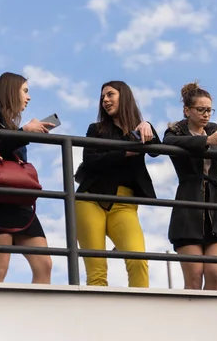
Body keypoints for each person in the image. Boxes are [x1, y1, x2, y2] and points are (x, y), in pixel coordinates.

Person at [163, 82, 217, 290]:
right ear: (187, 110)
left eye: (209, 110)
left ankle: (212, 320)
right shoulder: (175, 132)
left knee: (214, 273)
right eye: (201, 109)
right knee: (194, 276)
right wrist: (206, 141)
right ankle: (190, 321)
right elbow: (169, 144)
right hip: (188, 206)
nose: (206, 114)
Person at [75, 80, 160, 288]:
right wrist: (124, 152)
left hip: (124, 204)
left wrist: (147, 126)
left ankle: (140, 314)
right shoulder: (95, 129)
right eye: (103, 96)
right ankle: (98, 318)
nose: (105, 100)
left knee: (138, 260)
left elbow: (156, 150)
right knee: (97, 271)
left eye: (110, 94)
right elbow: (91, 160)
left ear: (124, 97)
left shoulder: (139, 130)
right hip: (91, 200)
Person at [0, 72, 53, 283]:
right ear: (11, 90)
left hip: (19, 201)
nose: (28, 98)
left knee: (44, 265)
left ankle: (37, 315)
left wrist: (23, 133)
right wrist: (24, 132)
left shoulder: (10, 124)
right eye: (25, 91)